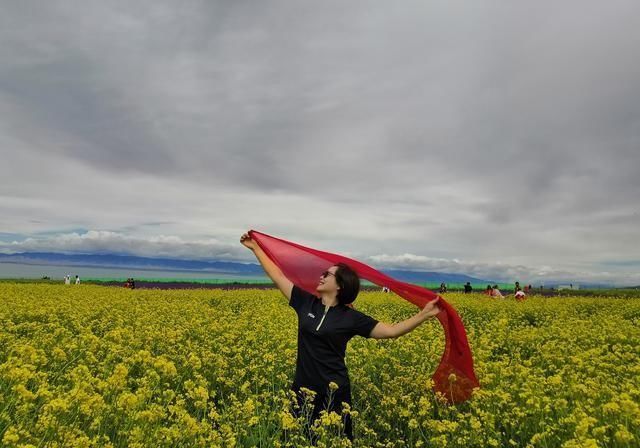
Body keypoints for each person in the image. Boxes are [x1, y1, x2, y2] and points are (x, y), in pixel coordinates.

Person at [240, 232, 441, 443]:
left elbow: (390, 332)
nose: (321, 276)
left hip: (333, 392)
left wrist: (424, 315)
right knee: (293, 438)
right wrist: (256, 248)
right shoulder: (305, 303)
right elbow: (278, 276)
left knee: (333, 440)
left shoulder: (351, 317)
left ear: (340, 285)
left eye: (327, 274)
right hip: (301, 388)